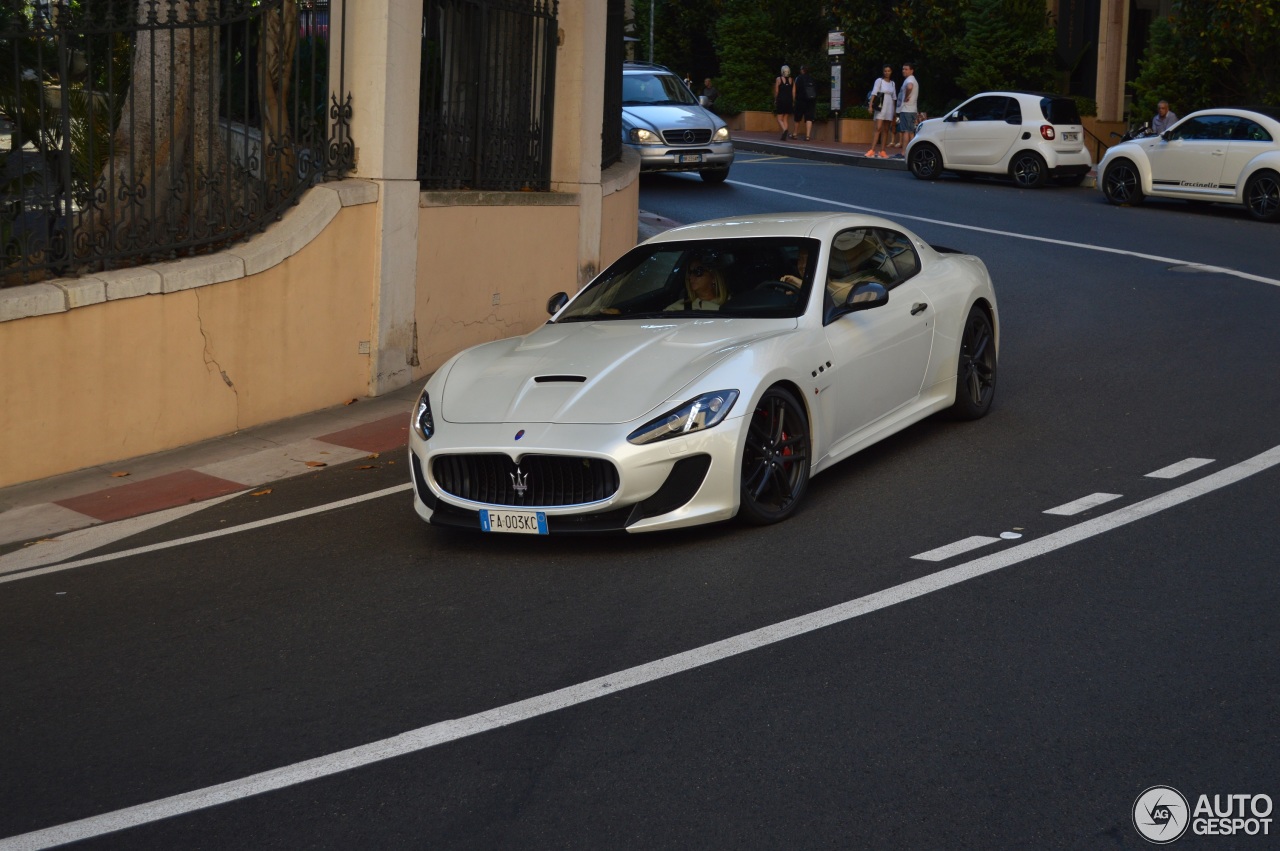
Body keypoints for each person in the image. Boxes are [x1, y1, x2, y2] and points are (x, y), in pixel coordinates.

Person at [866, 64, 897, 158]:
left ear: (891, 72)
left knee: (886, 129)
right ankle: (872, 150)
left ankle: (882, 151)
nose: (887, 73)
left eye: (889, 71)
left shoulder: (892, 83)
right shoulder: (879, 81)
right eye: (885, 71)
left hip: (889, 107)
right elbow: (874, 93)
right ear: (883, 72)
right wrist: (870, 105)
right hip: (880, 106)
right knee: (878, 128)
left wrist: (894, 111)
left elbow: (894, 97)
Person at [894, 62, 919, 158]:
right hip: (912, 109)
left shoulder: (910, 79)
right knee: (911, 132)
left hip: (907, 109)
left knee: (905, 131)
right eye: (903, 69)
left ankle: (904, 152)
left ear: (911, 70)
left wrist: (906, 96)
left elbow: (909, 87)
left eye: (906, 69)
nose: (904, 71)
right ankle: (912, 152)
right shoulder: (912, 79)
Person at [792, 64, 817, 141]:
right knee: (809, 118)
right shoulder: (812, 78)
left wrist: (793, 99)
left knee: (797, 117)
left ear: (802, 70)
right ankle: (807, 136)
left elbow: (794, 89)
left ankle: (795, 134)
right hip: (811, 100)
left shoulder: (798, 78)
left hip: (800, 100)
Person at [774, 65, 795, 140]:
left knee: (779, 118)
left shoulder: (778, 79)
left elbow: (777, 91)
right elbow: (793, 91)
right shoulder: (792, 80)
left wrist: (775, 99)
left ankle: (785, 130)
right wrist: (793, 101)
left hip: (781, 100)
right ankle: (784, 135)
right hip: (789, 101)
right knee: (785, 118)